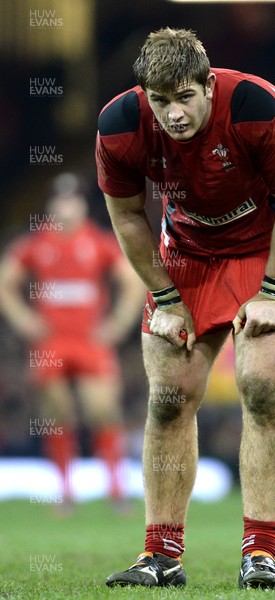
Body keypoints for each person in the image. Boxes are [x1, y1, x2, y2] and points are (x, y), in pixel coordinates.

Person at [96, 28, 275, 589]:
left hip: (265, 251)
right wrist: (166, 297)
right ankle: (161, 556)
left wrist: (273, 290)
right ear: (144, 93)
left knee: (262, 386)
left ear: (209, 84)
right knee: (170, 400)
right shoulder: (120, 125)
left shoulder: (256, 106)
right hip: (186, 257)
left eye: (184, 97)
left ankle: (260, 554)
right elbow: (127, 216)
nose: (173, 113)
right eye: (160, 100)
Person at [0, 174, 145, 511]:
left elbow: (132, 282)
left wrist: (118, 324)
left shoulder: (98, 242)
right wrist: (23, 319)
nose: (66, 207)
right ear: (51, 206)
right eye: (60, 201)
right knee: (58, 414)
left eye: (72, 201)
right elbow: (6, 280)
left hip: (90, 342)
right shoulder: (37, 244)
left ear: (82, 206)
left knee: (102, 410)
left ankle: (115, 489)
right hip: (51, 343)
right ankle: (65, 491)